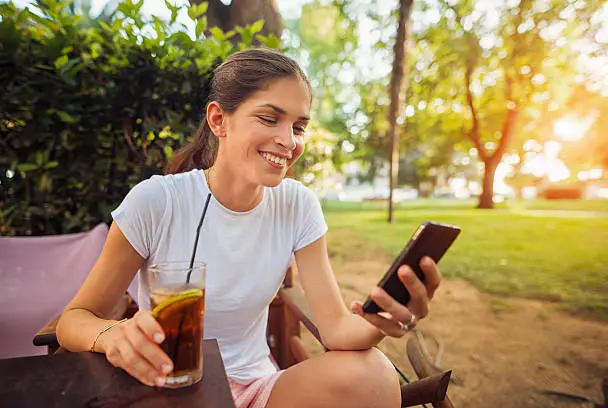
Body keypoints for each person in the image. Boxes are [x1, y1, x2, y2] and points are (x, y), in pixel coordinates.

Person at [56, 48, 443, 408]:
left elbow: (339, 330)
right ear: (219, 120)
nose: (288, 141)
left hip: (258, 389)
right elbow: (75, 318)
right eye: (269, 118)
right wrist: (110, 336)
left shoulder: (298, 205)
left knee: (375, 374)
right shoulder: (157, 201)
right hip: (167, 386)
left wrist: (381, 321)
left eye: (299, 126)